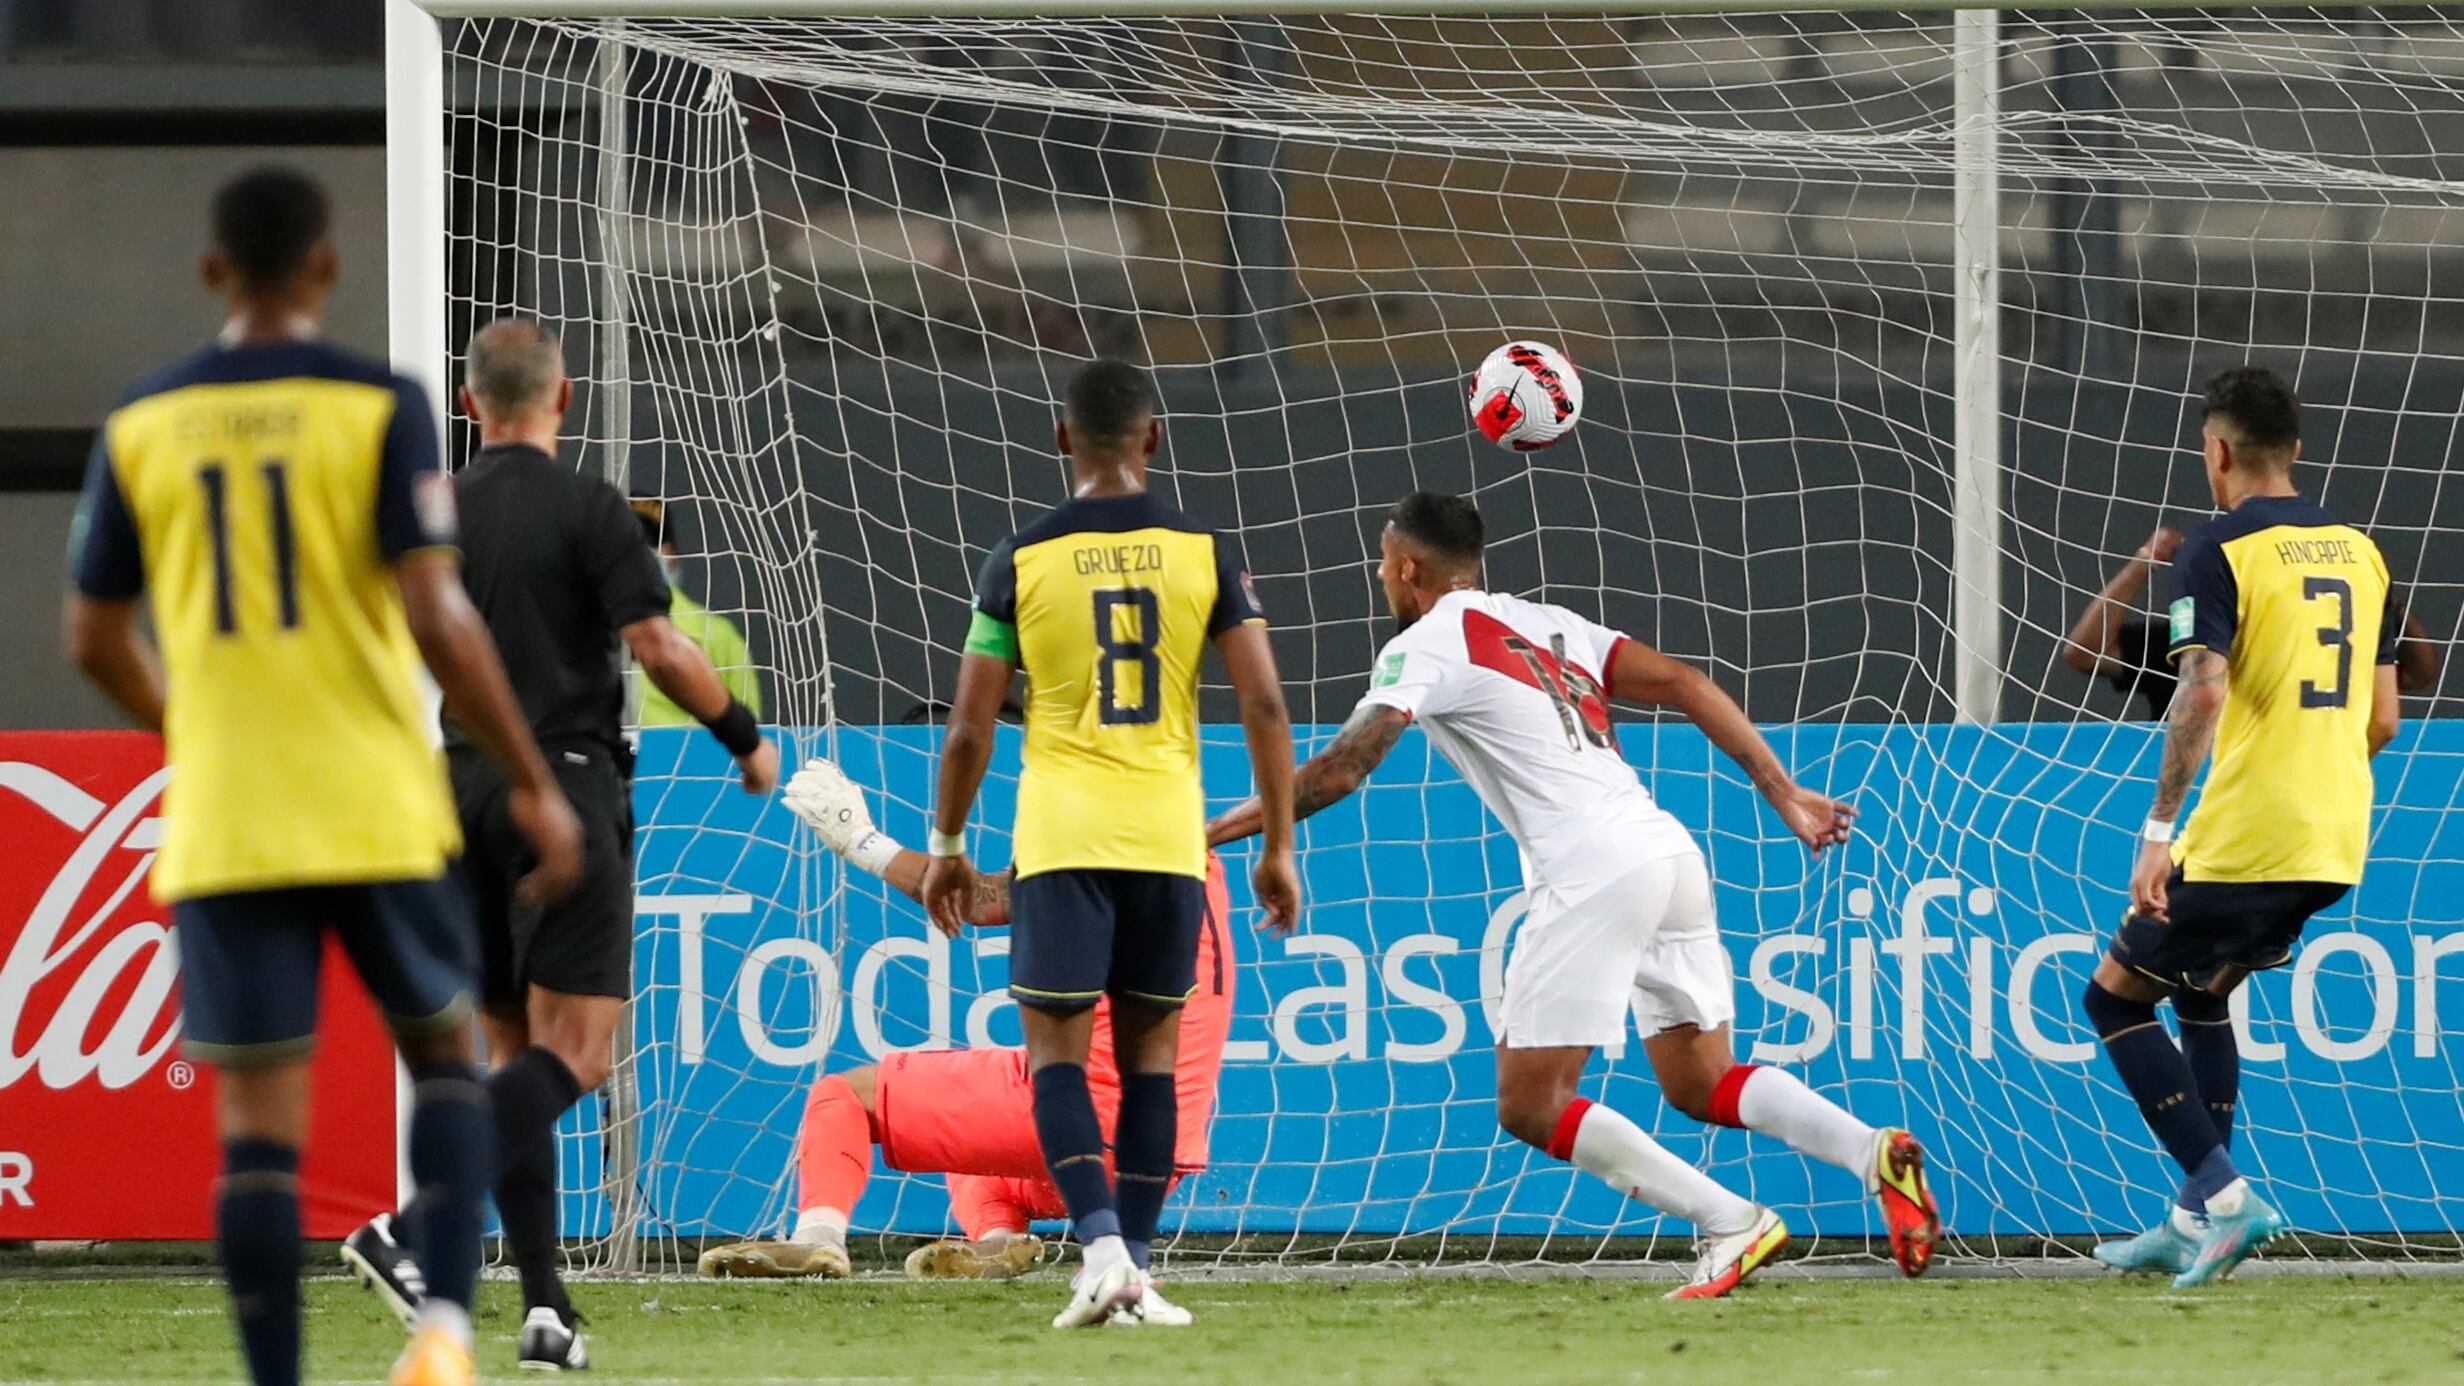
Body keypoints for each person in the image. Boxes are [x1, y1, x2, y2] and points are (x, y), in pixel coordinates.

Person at [63, 166, 583, 1386]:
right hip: (373, 801)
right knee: (445, 1058)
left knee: (257, 1135)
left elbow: (90, 638)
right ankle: (444, 1326)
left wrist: (191, 728)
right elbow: (438, 612)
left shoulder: (143, 419)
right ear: (328, 267)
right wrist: (531, 776)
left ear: (211, 270)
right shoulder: (377, 405)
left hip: (231, 817)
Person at [1207, 491, 1941, 1301]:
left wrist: (1210, 832)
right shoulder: (1554, 625)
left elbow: (1343, 767)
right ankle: (1870, 1151)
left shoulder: (1427, 642)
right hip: (1665, 852)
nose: (1381, 577)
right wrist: (1782, 789)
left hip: (1593, 868)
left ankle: (1731, 1220)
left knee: (1530, 1103)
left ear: (1407, 567)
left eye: (1383, 564)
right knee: (1702, 1082)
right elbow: (1687, 682)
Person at [340, 320, 780, 1372]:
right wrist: (744, 737)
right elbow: (657, 644)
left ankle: (546, 1309)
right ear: (565, 398)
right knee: (575, 1054)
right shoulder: (591, 506)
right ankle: (410, 1228)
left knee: (514, 1058)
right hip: (564, 786)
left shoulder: (436, 509)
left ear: (468, 403)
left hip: (457, 789)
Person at [918, 357, 1299, 1329]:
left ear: (1061, 438)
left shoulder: (1020, 558)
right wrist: (1278, 844)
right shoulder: (1205, 552)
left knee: (1055, 1058)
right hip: (1166, 840)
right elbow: (1263, 702)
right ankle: (1134, 1269)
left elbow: (967, 730)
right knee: (1150, 1065)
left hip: (1061, 838)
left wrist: (948, 843)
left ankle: (1100, 1253)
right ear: (1153, 437)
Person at [2085, 366, 2402, 1288]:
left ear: (2216, 451)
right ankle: (2193, 1220)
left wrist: (2158, 828)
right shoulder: (2364, 553)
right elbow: (2384, 720)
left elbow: (2203, 690)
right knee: (2201, 993)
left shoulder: (2217, 549)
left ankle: (2226, 1201)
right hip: (2335, 835)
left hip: (2251, 833)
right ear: (2294, 450)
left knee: (2113, 1002)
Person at [694, 758, 1238, 1282]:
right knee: (976, 1156)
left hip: (1084, 1112)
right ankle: (998, 1241)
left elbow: (973, 901)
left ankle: (816, 1238)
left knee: (842, 1097)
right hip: (1163, 1147)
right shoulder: (1201, 864)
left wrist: (859, 839)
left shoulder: (1094, 849)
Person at [2068, 525, 2439, 717]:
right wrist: (2145, 559)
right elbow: (2083, 652)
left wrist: (2384, 595)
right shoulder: (2186, 640)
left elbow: (2416, 675)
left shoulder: (2301, 642)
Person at [629, 497, 764, 725]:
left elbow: (749, 724)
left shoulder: (719, 635)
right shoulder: (578, 629)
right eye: (628, 547)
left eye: (651, 543)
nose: (640, 557)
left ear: (672, 552)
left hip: (691, 749)